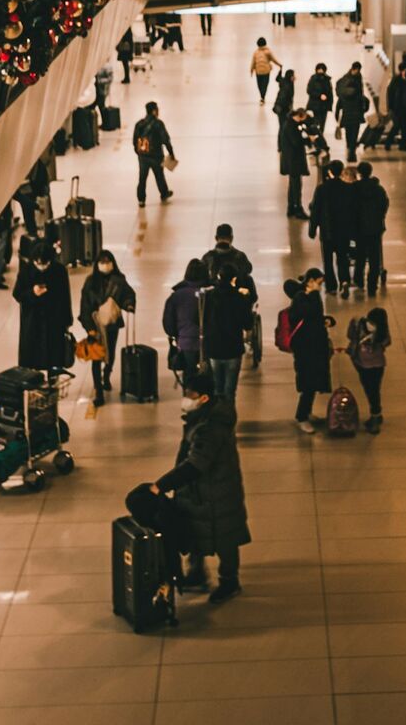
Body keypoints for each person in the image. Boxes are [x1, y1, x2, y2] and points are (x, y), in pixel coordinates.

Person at [152, 365, 251, 602]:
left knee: (224, 536)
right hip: (200, 491)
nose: (186, 399)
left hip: (216, 489)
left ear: (204, 398)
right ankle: (196, 572)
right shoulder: (204, 416)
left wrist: (162, 485)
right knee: (194, 529)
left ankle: (229, 581)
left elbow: (196, 464)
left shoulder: (210, 427)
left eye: (191, 395)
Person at [79, 249, 137, 405]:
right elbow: (85, 306)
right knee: (96, 357)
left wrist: (129, 305)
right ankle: (98, 390)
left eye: (108, 262)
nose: (105, 265)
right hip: (95, 326)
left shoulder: (119, 280)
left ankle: (107, 375)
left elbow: (128, 295)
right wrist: (88, 327)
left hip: (111, 324)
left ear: (113, 263)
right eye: (102, 262)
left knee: (110, 353)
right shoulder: (90, 282)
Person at [283, 270, 333, 432]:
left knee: (313, 381)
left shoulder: (311, 296)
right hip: (306, 348)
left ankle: (307, 412)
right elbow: (307, 314)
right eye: (319, 282)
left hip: (315, 345)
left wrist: (326, 320)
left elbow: (315, 317)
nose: (320, 286)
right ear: (310, 281)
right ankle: (302, 416)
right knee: (308, 383)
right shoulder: (301, 298)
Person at [13, 236, 72, 372]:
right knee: (31, 356)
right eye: (38, 263)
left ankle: (53, 383)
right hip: (32, 320)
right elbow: (17, 294)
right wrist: (32, 293)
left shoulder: (59, 271)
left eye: (44, 264)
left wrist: (67, 320)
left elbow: (65, 297)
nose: (41, 267)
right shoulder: (26, 271)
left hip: (54, 319)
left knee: (54, 356)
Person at [199, 262, 253, 403]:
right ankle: (228, 417)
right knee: (230, 390)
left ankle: (217, 416)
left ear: (218, 276)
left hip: (214, 347)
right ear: (234, 279)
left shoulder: (209, 296)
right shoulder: (239, 298)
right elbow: (248, 324)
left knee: (217, 388)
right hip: (233, 348)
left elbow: (200, 319)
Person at [308, 158, 357, 296]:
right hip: (343, 230)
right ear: (342, 171)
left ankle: (331, 285)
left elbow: (316, 210)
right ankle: (345, 281)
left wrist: (312, 229)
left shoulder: (322, 189)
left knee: (328, 260)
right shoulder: (348, 189)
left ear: (329, 171)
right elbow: (353, 209)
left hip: (327, 231)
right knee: (342, 257)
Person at [346, 304, 391, 432]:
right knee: (374, 389)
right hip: (378, 364)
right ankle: (376, 413)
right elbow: (387, 342)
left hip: (362, 363)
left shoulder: (359, 323)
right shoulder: (382, 329)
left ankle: (375, 415)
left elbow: (350, 336)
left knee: (370, 390)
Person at [163, 258, 206, 382]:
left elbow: (168, 323)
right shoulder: (211, 293)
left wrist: (175, 334)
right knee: (208, 374)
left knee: (189, 373)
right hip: (209, 342)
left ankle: (189, 396)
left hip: (186, 341)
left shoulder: (176, 295)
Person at [351, 161, 389, 294]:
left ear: (359, 173)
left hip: (359, 227)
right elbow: (384, 205)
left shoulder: (354, 188)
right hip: (375, 227)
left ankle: (359, 280)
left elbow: (351, 207)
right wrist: (379, 217)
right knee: (374, 256)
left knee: (360, 254)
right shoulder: (378, 189)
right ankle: (372, 285)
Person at [132, 100, 174, 205]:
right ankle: (164, 193)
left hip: (143, 156)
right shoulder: (158, 124)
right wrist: (171, 153)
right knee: (159, 175)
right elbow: (165, 140)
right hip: (156, 156)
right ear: (154, 111)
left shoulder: (139, 124)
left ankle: (141, 199)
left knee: (142, 178)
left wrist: (139, 152)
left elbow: (134, 140)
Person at [279, 102, 310, 218]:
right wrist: (308, 140)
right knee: (296, 186)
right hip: (293, 161)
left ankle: (291, 207)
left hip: (291, 161)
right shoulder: (291, 127)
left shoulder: (289, 123)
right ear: (299, 116)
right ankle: (297, 208)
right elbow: (297, 142)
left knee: (293, 185)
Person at [201, 224, 254, 290]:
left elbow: (201, 276)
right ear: (231, 238)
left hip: (215, 296)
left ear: (216, 238)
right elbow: (248, 270)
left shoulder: (208, 257)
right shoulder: (240, 256)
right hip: (235, 295)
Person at [335, 60, 369, 161]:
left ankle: (349, 148)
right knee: (354, 133)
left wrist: (337, 118)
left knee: (348, 133)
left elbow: (338, 105)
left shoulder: (343, 83)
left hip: (346, 115)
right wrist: (363, 111)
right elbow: (365, 101)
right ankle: (352, 153)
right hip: (356, 115)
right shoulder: (358, 92)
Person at [249, 36, 281, 105]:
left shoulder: (256, 53)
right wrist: (279, 65)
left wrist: (251, 70)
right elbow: (273, 60)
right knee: (265, 85)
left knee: (259, 85)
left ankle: (262, 96)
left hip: (258, 71)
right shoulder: (268, 51)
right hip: (266, 71)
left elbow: (253, 62)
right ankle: (262, 97)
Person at [306, 62, 333, 137]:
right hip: (315, 105)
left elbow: (330, 93)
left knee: (323, 123)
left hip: (324, 106)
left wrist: (330, 105)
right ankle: (315, 136)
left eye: (322, 70)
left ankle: (320, 136)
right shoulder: (313, 79)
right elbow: (309, 90)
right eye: (319, 69)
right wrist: (319, 95)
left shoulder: (327, 79)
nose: (320, 71)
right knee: (316, 122)